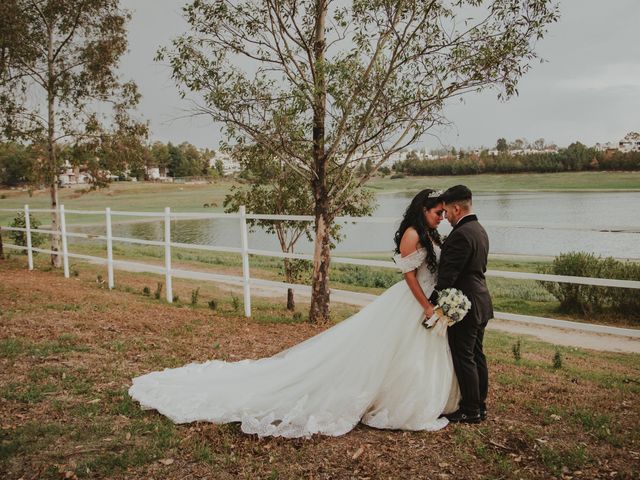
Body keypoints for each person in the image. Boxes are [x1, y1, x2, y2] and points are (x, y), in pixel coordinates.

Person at [129, 188, 460, 438]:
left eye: (444, 214)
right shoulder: (413, 234)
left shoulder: (429, 233)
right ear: (423, 209)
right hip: (411, 301)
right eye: (438, 213)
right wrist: (427, 306)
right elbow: (409, 277)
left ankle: (409, 398)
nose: (441, 218)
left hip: (423, 302)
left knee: (406, 355)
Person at [428, 185, 493, 424]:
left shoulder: (461, 234)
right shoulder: (479, 229)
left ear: (457, 208)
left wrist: (432, 301)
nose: (445, 218)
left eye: (446, 212)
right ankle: (480, 405)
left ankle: (470, 409)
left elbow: (448, 277)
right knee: (476, 354)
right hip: (481, 300)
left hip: (464, 304)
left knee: (464, 355)